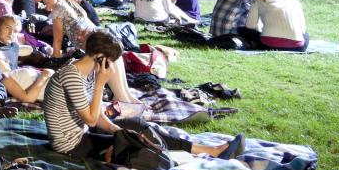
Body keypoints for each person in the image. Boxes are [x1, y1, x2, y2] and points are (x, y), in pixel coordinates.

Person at [41, 31, 233, 160]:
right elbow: (91, 120)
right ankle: (202, 152)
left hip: (82, 133)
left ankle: (202, 150)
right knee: (139, 144)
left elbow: (96, 113)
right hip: (72, 145)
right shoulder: (71, 76)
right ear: (100, 57)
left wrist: (116, 130)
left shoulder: (87, 70)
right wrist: (101, 83)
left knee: (137, 127)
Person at [244, 0, 309, 51]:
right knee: (306, 34)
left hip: (268, 45)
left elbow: (250, 25)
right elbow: (303, 29)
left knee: (245, 31)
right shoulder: (294, 0)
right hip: (297, 47)